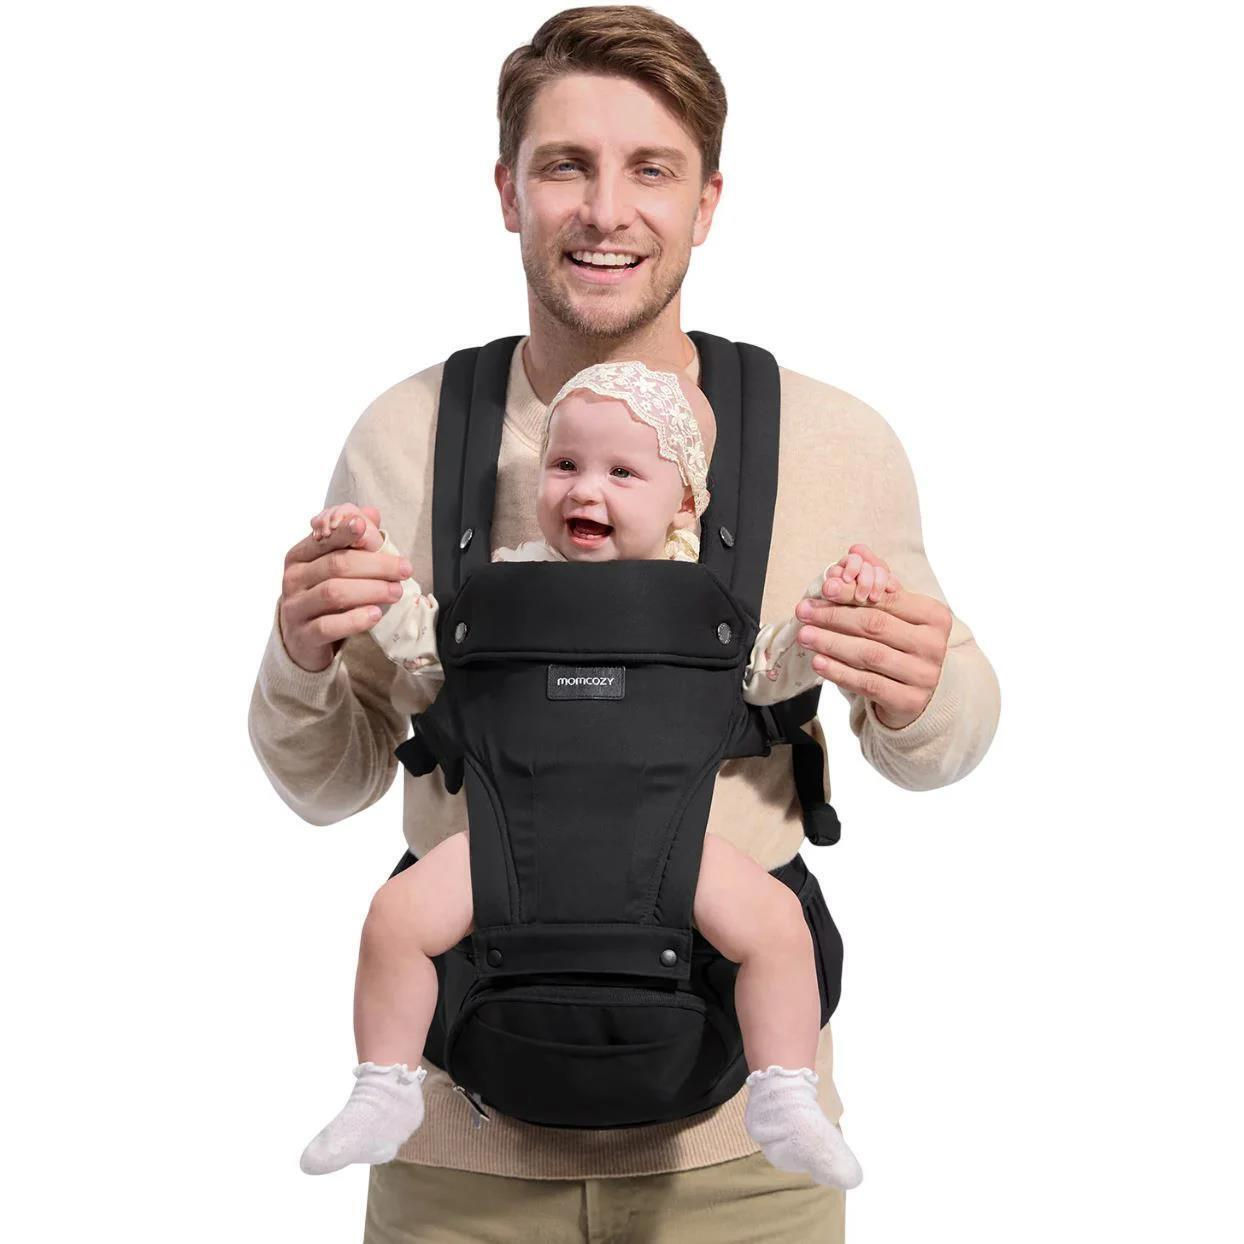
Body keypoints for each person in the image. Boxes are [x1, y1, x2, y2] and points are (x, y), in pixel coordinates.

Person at [249, 8, 1000, 1240]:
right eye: (565, 165)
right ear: (507, 190)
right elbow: (324, 783)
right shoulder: (406, 433)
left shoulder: (833, 441)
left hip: (739, 1162)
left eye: (651, 168)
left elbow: (939, 746)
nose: (606, 211)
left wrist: (922, 692)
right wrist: (299, 655)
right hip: (456, 1154)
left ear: (707, 200)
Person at [297, 360, 896, 1186]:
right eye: (565, 464)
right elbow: (427, 649)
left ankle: (785, 1093)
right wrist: (367, 559)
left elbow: (769, 675)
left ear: (684, 503)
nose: (585, 489)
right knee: (396, 916)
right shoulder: (503, 583)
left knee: (778, 926)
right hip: (512, 843)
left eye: (622, 472)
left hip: (667, 845)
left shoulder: (705, 603)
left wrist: (832, 607)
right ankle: (384, 1087)